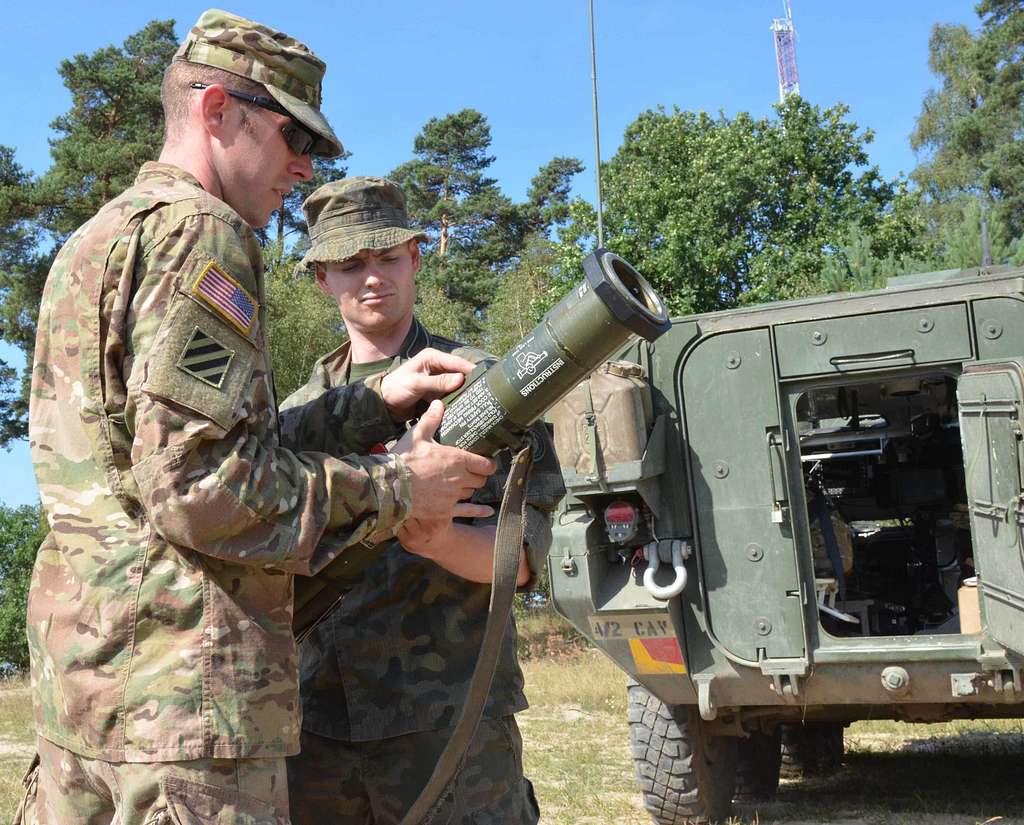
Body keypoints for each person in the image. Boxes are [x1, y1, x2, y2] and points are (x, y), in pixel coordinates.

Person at [18, 12, 495, 825]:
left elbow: (156, 455)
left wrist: (366, 403)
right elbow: (199, 485)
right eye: (290, 135)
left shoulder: (94, 241)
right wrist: (397, 488)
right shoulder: (202, 232)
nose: (303, 169)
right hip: (186, 710)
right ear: (216, 112)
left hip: (90, 696)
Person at [281, 177, 565, 824]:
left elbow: (520, 556)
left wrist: (435, 537)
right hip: (318, 730)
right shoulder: (300, 416)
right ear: (322, 276)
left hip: (452, 721)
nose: (371, 277)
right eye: (351, 264)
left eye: (386, 257)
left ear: (415, 256)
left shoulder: (488, 388)